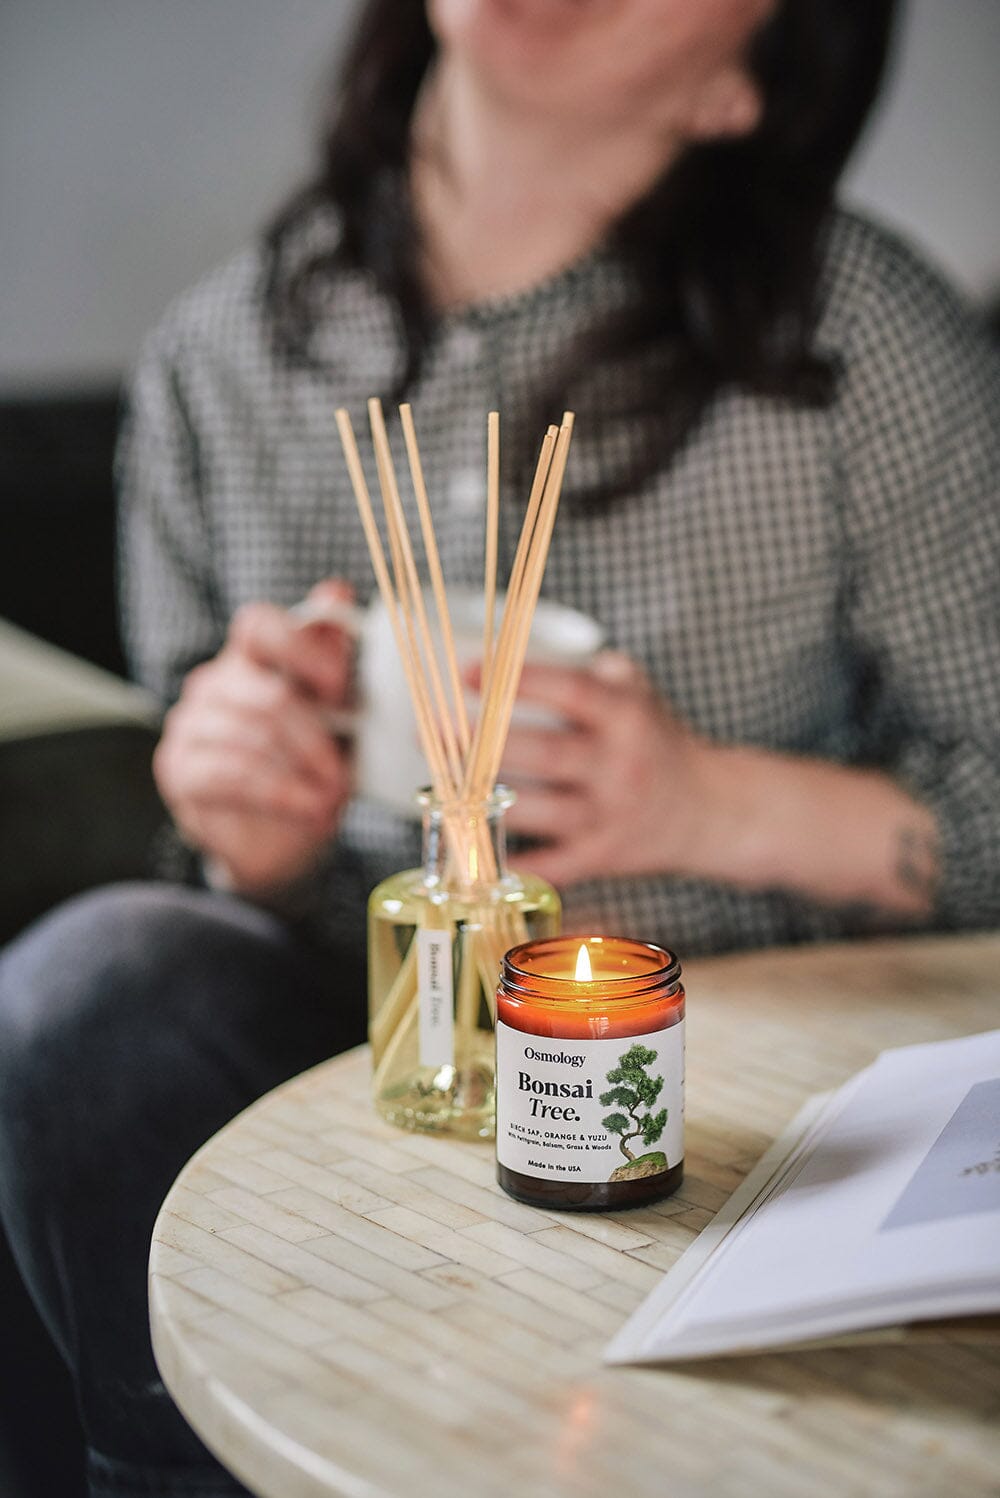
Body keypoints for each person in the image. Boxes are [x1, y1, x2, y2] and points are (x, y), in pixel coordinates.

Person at [2, 0, 999, 1493]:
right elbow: (203, 857)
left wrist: (718, 804)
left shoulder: (863, 341)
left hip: (750, 1075)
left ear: (744, 84)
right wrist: (241, 824)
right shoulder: (222, 360)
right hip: (350, 1064)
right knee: (98, 984)